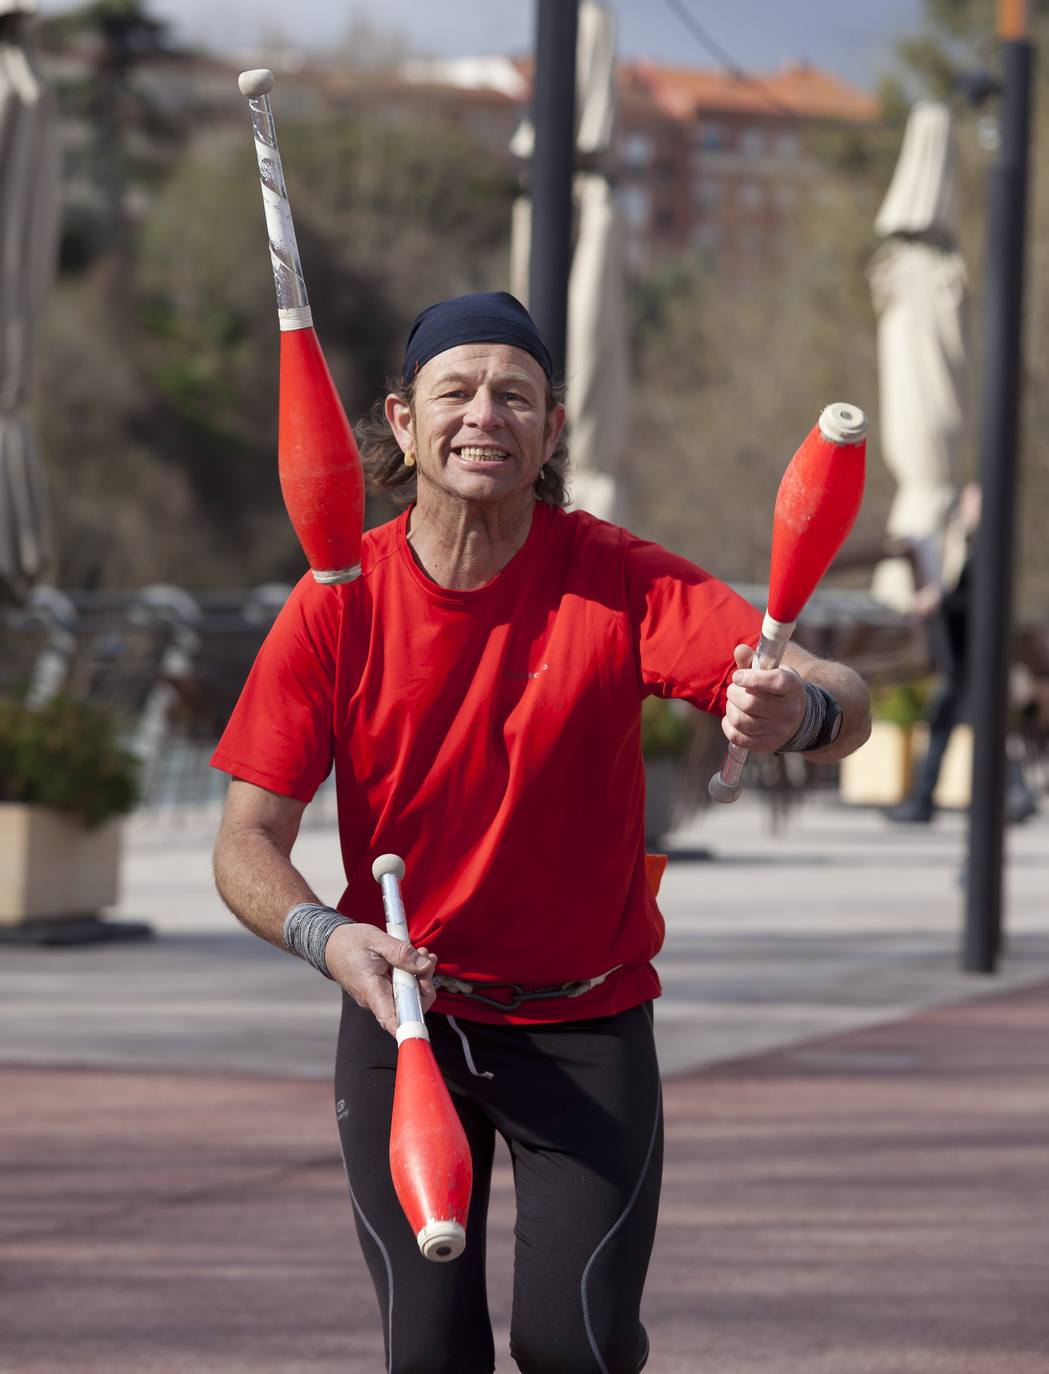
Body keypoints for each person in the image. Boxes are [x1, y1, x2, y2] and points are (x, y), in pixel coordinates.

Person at [211, 292, 872, 1374]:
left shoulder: (615, 578)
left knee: (575, 1349)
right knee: (428, 1359)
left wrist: (799, 713)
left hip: (585, 1023)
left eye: (515, 395)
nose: (486, 414)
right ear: (403, 422)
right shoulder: (338, 602)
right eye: (456, 392)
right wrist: (326, 940)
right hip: (406, 1018)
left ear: (551, 430)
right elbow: (244, 841)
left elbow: (838, 696)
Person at [887, 483, 1038, 825]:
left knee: (950, 725)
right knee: (970, 727)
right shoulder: (976, 547)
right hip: (969, 657)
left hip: (973, 657)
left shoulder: (988, 548)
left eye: (972, 503)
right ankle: (1013, 794)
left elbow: (980, 603)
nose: (966, 509)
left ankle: (926, 802)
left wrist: (940, 601)